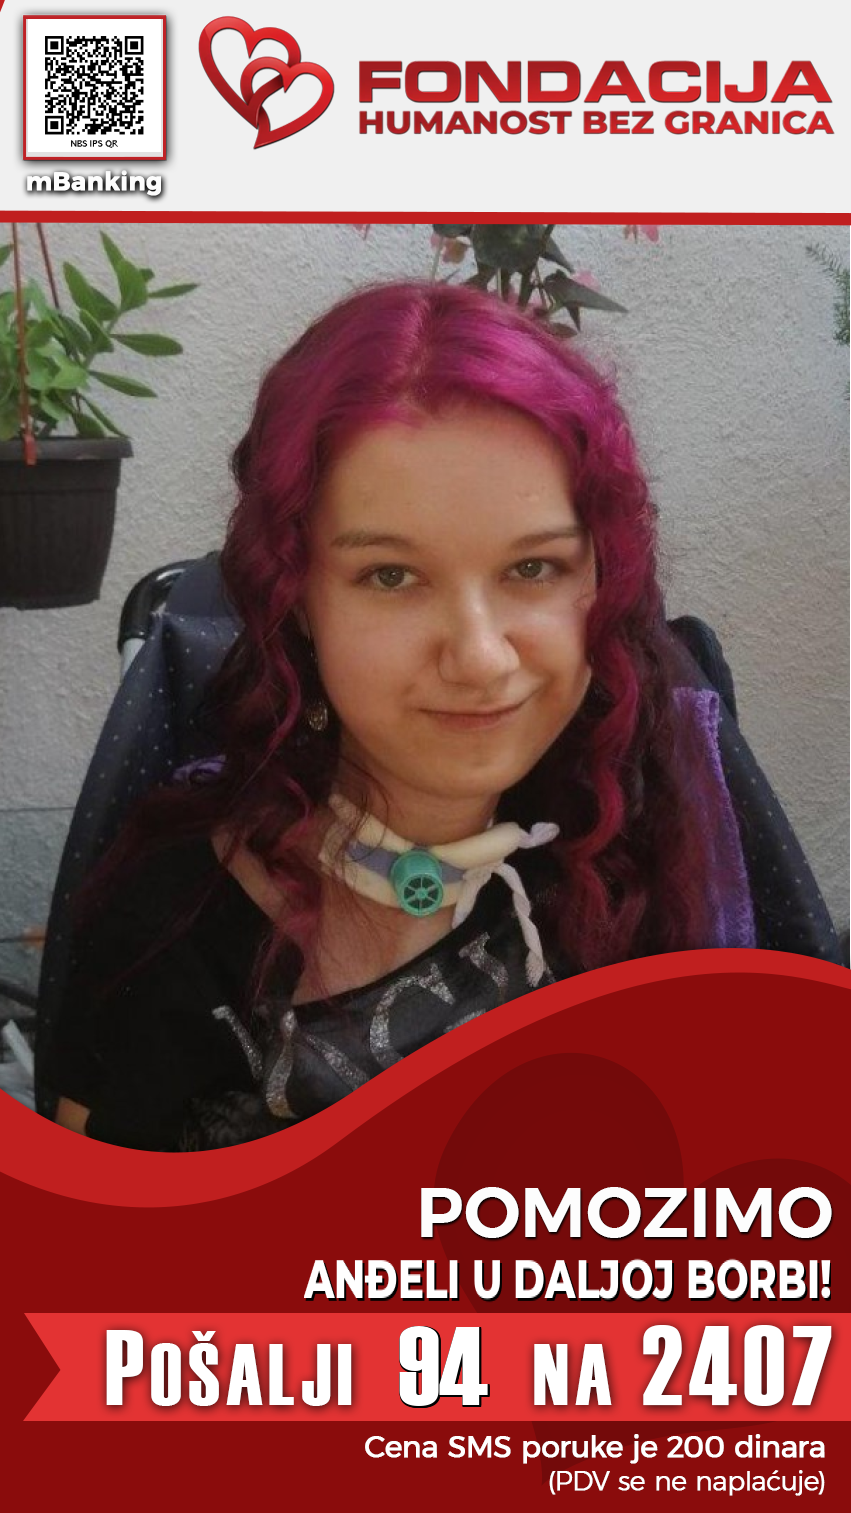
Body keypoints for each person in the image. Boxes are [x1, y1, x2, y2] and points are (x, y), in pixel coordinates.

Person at [50, 282, 840, 1151]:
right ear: (296, 597)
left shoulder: (661, 829)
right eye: (391, 576)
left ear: (601, 579)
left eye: (533, 569)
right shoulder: (175, 925)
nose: (480, 656)